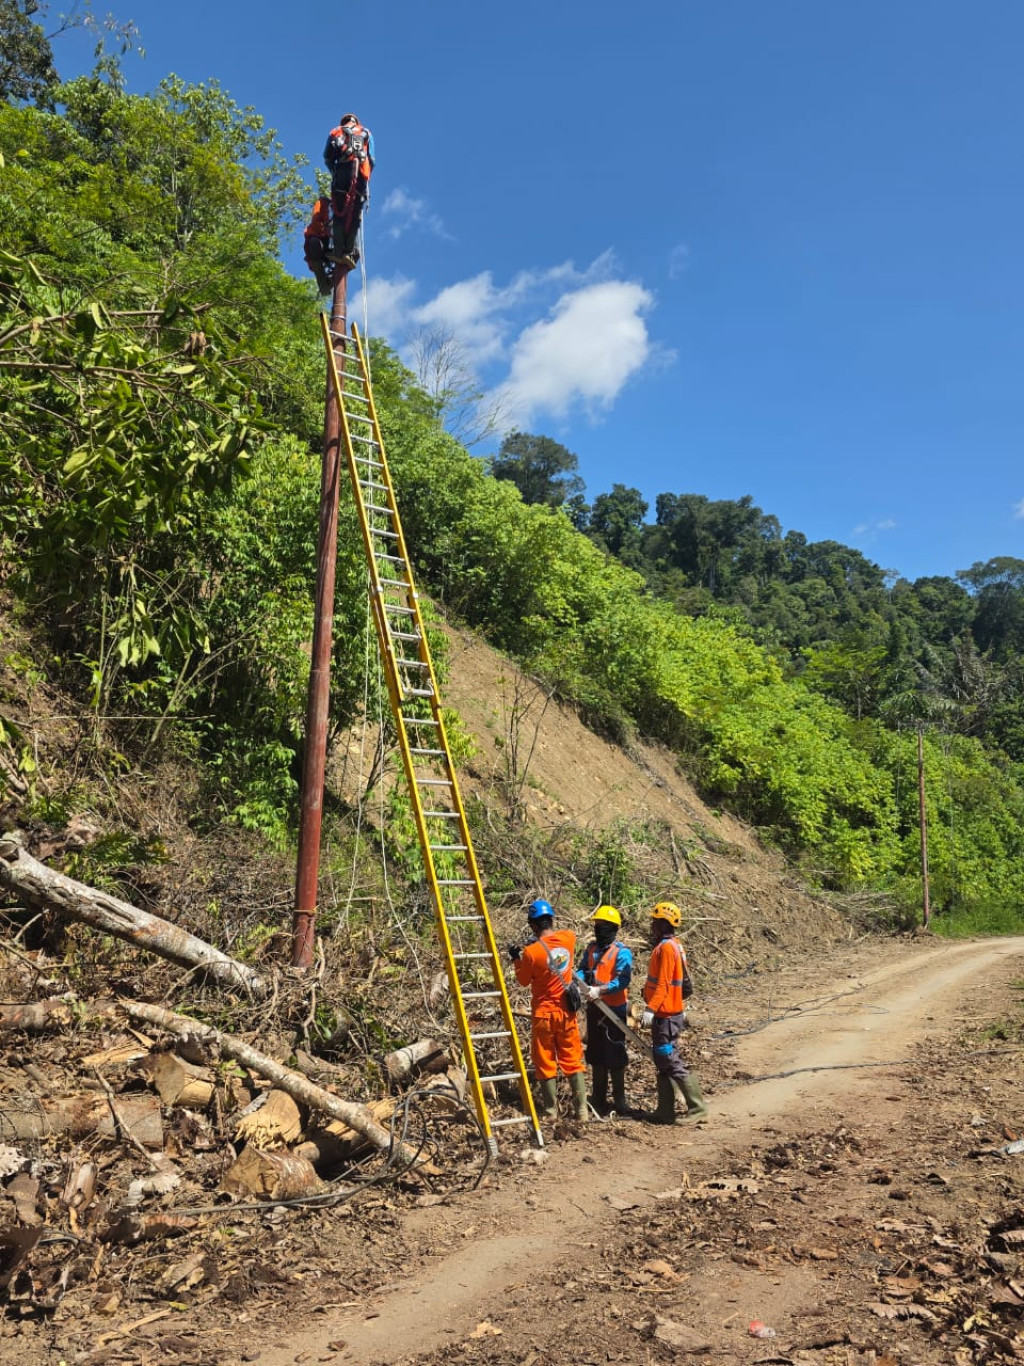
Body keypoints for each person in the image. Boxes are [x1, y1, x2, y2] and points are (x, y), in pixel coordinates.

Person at [507, 898, 587, 1123]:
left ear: (533, 925)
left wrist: (516, 959)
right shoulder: (569, 939)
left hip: (543, 1014)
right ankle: (582, 1111)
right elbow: (558, 945)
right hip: (566, 1012)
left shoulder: (532, 953)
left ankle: (551, 1111)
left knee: (545, 1060)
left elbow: (523, 980)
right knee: (572, 1058)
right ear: (551, 919)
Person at [641, 901, 708, 1125]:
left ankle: (697, 1108)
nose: (651, 926)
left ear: (662, 924)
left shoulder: (668, 948)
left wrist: (651, 1009)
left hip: (666, 1014)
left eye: (654, 922)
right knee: (662, 1060)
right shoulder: (674, 945)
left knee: (668, 1059)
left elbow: (664, 984)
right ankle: (664, 1110)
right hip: (668, 1012)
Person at [576, 905, 632, 1115]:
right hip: (594, 1009)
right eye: (597, 925)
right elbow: (582, 969)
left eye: (603, 926)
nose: (599, 929)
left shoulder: (621, 952)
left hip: (614, 1011)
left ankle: (619, 1100)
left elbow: (623, 980)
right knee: (596, 1053)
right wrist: (580, 982)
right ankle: (598, 1098)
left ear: (613, 928)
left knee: (616, 1053)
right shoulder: (591, 949)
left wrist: (600, 990)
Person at [323, 112, 375, 271]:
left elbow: (327, 157)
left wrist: (334, 173)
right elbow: (371, 159)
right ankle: (349, 251)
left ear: (344, 122)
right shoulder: (366, 132)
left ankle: (338, 251)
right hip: (359, 175)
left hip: (342, 171)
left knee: (339, 213)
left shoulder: (335, 131)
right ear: (356, 121)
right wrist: (365, 178)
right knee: (355, 214)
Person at [302, 195, 334, 295]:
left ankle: (329, 279)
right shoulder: (322, 204)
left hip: (327, 241)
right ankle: (324, 283)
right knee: (314, 245)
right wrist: (328, 231)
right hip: (317, 239)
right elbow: (316, 221)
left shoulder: (336, 207)